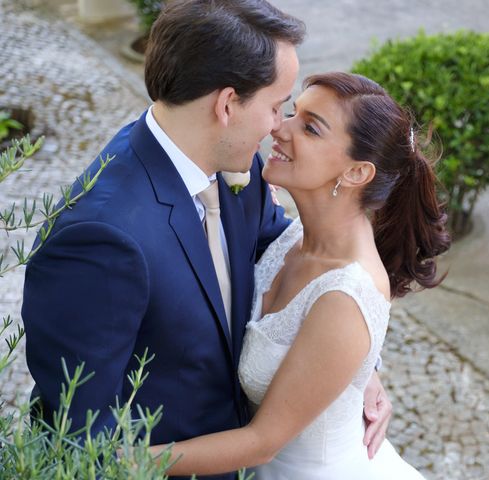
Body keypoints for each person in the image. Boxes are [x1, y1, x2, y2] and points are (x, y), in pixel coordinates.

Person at [21, 2, 391, 479]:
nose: (278, 126)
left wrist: (352, 362)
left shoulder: (236, 165)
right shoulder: (101, 238)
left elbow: (283, 257)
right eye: (277, 105)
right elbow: (79, 430)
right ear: (227, 104)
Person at [150, 72, 451, 479]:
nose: (279, 127)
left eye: (309, 128)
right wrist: (361, 371)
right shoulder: (291, 235)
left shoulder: (345, 297)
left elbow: (262, 443)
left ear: (357, 173)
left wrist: (120, 463)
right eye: (292, 112)